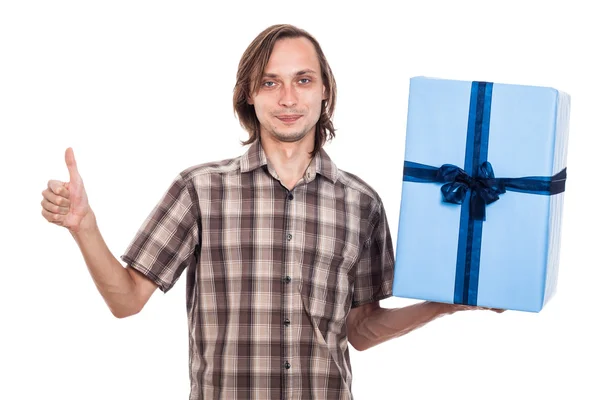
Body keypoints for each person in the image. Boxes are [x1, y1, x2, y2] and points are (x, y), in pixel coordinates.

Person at [41, 24, 502, 400]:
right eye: (270, 82)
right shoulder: (199, 189)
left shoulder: (362, 203)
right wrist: (85, 228)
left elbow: (361, 331)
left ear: (325, 93)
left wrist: (444, 304)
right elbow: (126, 301)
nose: (287, 98)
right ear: (249, 95)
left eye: (303, 80)